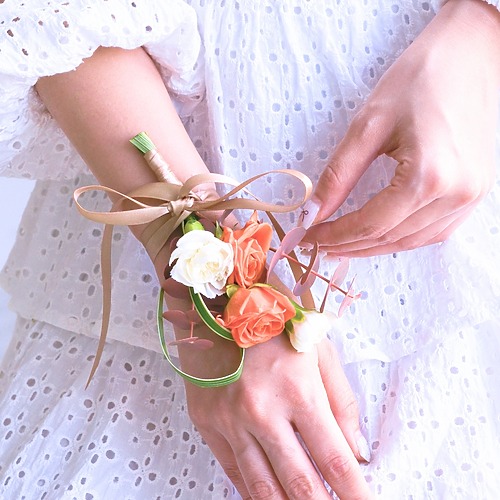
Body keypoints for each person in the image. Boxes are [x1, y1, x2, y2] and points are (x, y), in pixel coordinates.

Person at [0, 1, 499, 499]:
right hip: (144, 306)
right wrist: (213, 284)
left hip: (431, 273)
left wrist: (478, 31)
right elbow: (59, 16)